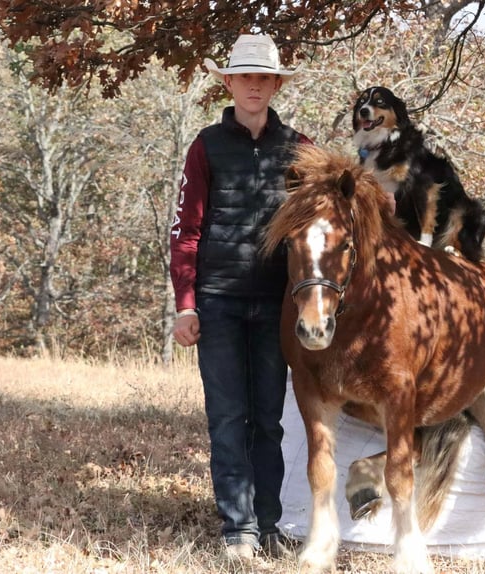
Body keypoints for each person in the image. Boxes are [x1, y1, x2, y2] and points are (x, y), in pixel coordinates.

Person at [169, 34, 312, 561]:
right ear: (227, 83)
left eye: (264, 78)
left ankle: (268, 525)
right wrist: (186, 303)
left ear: (276, 85)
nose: (255, 86)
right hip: (219, 301)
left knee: (269, 420)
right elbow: (186, 230)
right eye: (245, 77)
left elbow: (325, 219)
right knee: (228, 417)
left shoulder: (300, 148)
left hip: (278, 306)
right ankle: (237, 530)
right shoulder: (206, 145)